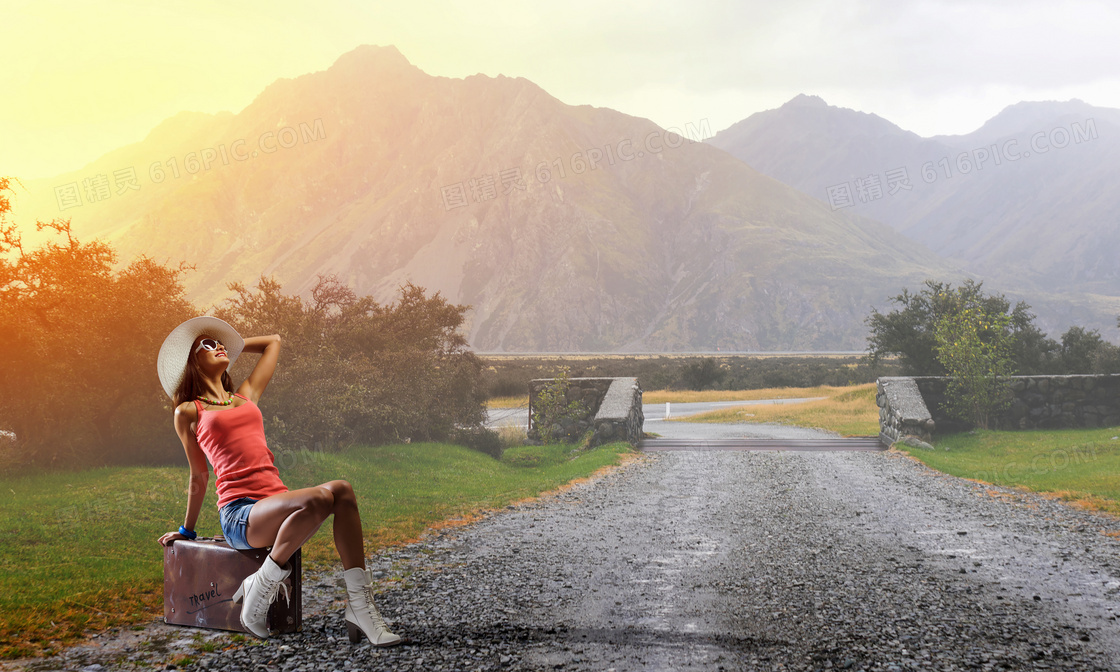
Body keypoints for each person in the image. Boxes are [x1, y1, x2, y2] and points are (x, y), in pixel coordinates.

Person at [154, 316, 401, 646]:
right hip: (241, 515)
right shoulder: (189, 411)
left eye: (220, 343)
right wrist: (186, 532)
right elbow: (198, 474)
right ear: (192, 360)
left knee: (341, 490)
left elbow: (273, 341)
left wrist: (233, 346)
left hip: (277, 503)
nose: (219, 347)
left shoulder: (245, 396)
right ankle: (260, 587)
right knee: (317, 499)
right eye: (208, 345)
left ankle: (361, 607)